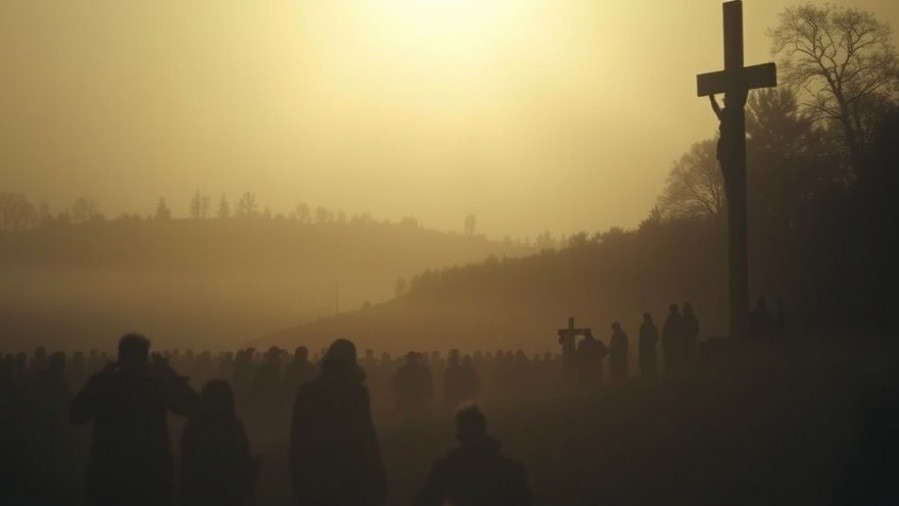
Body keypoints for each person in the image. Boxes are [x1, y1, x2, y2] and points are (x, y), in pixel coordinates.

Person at [69, 333, 198, 506]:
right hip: (150, 477)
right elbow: (195, 406)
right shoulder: (156, 386)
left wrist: (98, 379)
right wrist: (171, 374)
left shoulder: (105, 385)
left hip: (109, 477)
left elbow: (76, 415)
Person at [289, 338, 386, 506]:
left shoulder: (307, 392)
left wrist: (297, 474)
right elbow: (367, 435)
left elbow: (297, 438)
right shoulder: (358, 393)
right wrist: (376, 472)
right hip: (349, 469)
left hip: (315, 471)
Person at [415, 405, 533, 506]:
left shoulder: (446, 469)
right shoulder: (511, 469)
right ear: (484, 431)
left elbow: (425, 501)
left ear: (459, 436)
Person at [180, 380, 257, 506]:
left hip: (200, 492)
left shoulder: (195, 425)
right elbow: (243, 458)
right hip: (227, 492)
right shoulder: (234, 425)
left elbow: (187, 459)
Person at [662, 303, 683, 374]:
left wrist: (664, 337)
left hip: (674, 340)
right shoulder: (675, 318)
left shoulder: (673, 318)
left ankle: (674, 371)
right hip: (672, 340)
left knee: (674, 356)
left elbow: (666, 329)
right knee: (672, 356)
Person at [638, 312, 659, 377]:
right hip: (647, 348)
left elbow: (656, 338)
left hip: (648, 348)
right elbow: (656, 338)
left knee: (648, 362)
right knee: (647, 362)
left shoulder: (646, 327)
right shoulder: (650, 327)